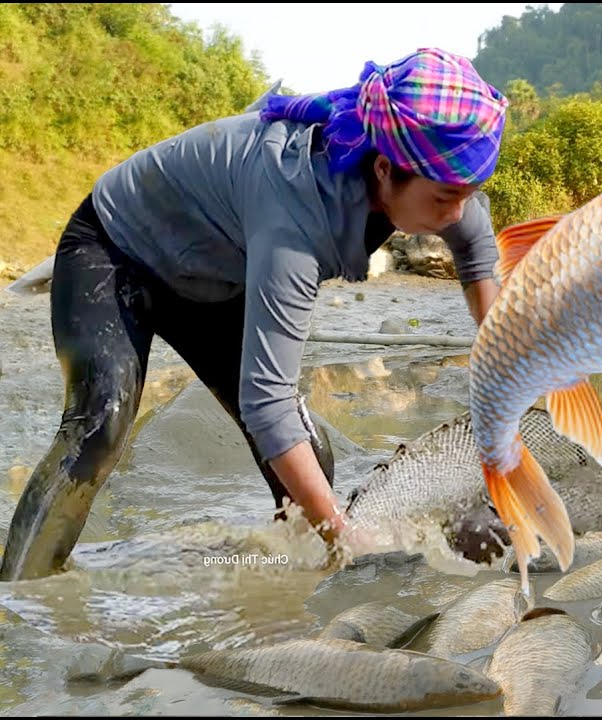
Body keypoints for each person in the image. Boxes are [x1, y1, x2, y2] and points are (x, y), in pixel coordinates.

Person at [0, 48, 509, 581]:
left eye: (468, 194)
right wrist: (346, 536)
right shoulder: (294, 217)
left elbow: (476, 257)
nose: (457, 212)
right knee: (99, 426)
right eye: (446, 198)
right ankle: (19, 597)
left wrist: (502, 372)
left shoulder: (437, 176)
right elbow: (266, 403)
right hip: (114, 248)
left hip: (211, 273)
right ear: (383, 169)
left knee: (309, 458)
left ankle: (288, 591)